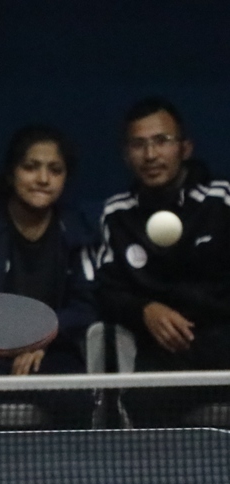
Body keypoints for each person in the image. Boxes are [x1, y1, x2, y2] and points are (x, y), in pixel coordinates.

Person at [0, 124, 98, 429]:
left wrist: (43, 337)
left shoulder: (75, 229)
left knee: (76, 399)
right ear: (11, 173)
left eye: (55, 170)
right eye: (31, 167)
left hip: (50, 353)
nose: (43, 179)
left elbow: (87, 305)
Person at [94, 97, 230, 426]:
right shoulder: (117, 214)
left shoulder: (221, 201)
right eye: (138, 144)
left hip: (223, 340)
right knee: (143, 407)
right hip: (163, 351)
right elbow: (106, 291)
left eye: (162, 141)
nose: (150, 154)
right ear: (126, 155)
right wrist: (145, 309)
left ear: (185, 148)